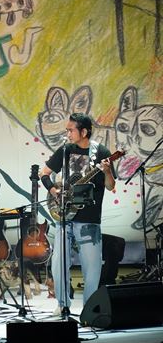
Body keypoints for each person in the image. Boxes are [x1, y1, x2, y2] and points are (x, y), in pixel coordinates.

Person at [40, 113, 116, 314]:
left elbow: (110, 186)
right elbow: (44, 173)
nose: (67, 133)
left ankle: (89, 309)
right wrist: (53, 190)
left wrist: (107, 171)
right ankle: (62, 305)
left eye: (70, 130)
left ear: (84, 132)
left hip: (89, 219)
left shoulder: (101, 152)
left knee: (92, 268)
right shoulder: (66, 150)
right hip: (64, 216)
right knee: (58, 264)